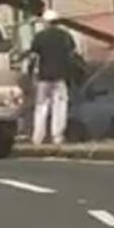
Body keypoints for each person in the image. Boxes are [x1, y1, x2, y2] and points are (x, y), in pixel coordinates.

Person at [29, 9, 78, 147]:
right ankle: (57, 137)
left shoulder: (39, 37)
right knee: (60, 106)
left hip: (44, 77)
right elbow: (72, 55)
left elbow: (33, 56)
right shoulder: (66, 36)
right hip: (60, 77)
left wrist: (32, 75)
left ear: (46, 22)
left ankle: (38, 138)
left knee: (41, 107)